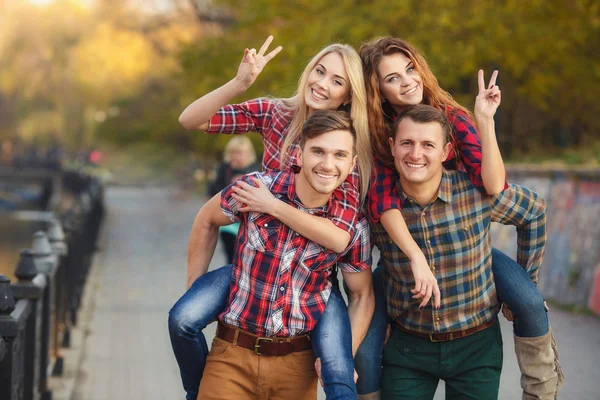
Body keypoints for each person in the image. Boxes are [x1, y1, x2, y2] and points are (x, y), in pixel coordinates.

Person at [171, 36, 385, 400]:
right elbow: (191, 119)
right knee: (184, 317)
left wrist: (272, 205)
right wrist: (240, 82)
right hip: (259, 260)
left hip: (312, 273)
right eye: (320, 71)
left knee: (337, 366)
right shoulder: (275, 113)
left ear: (347, 96)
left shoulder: (346, 149)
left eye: (337, 81)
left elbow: (339, 238)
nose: (322, 83)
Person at [354, 37, 562, 400]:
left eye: (410, 69)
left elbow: (494, 185)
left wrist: (485, 120)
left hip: (462, 232)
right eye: (392, 78)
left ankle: (543, 390)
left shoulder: (452, 117)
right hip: (403, 248)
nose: (406, 81)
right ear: (378, 91)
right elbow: (383, 203)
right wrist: (414, 259)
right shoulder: (378, 136)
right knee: (367, 350)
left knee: (528, 302)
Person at [192, 110, 374, 399]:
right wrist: (196, 292)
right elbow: (207, 218)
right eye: (318, 151)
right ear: (299, 156)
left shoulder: (353, 224)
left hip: (296, 365)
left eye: (339, 155)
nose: (328, 164)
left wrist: (341, 356)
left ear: (352, 164)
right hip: (232, 355)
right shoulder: (257, 188)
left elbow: (362, 296)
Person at [208, 136, 260, 263]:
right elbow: (213, 191)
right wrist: (228, 188)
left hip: (246, 221)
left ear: (248, 154)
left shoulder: (255, 170)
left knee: (245, 256)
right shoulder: (224, 169)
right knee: (230, 255)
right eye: (233, 153)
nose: (236, 157)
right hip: (227, 221)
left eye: (240, 153)